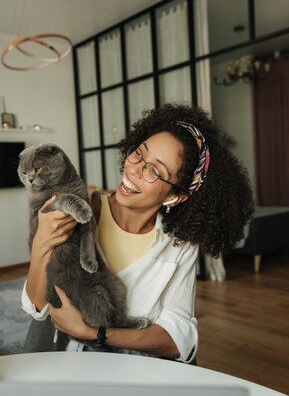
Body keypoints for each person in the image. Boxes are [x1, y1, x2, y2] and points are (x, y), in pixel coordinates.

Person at [21, 103, 253, 363]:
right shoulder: (82, 210)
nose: (134, 170)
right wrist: (41, 243)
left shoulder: (178, 246)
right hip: (66, 363)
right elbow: (36, 307)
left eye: (154, 170)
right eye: (139, 154)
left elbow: (181, 340)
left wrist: (94, 333)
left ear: (175, 196)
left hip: (133, 368)